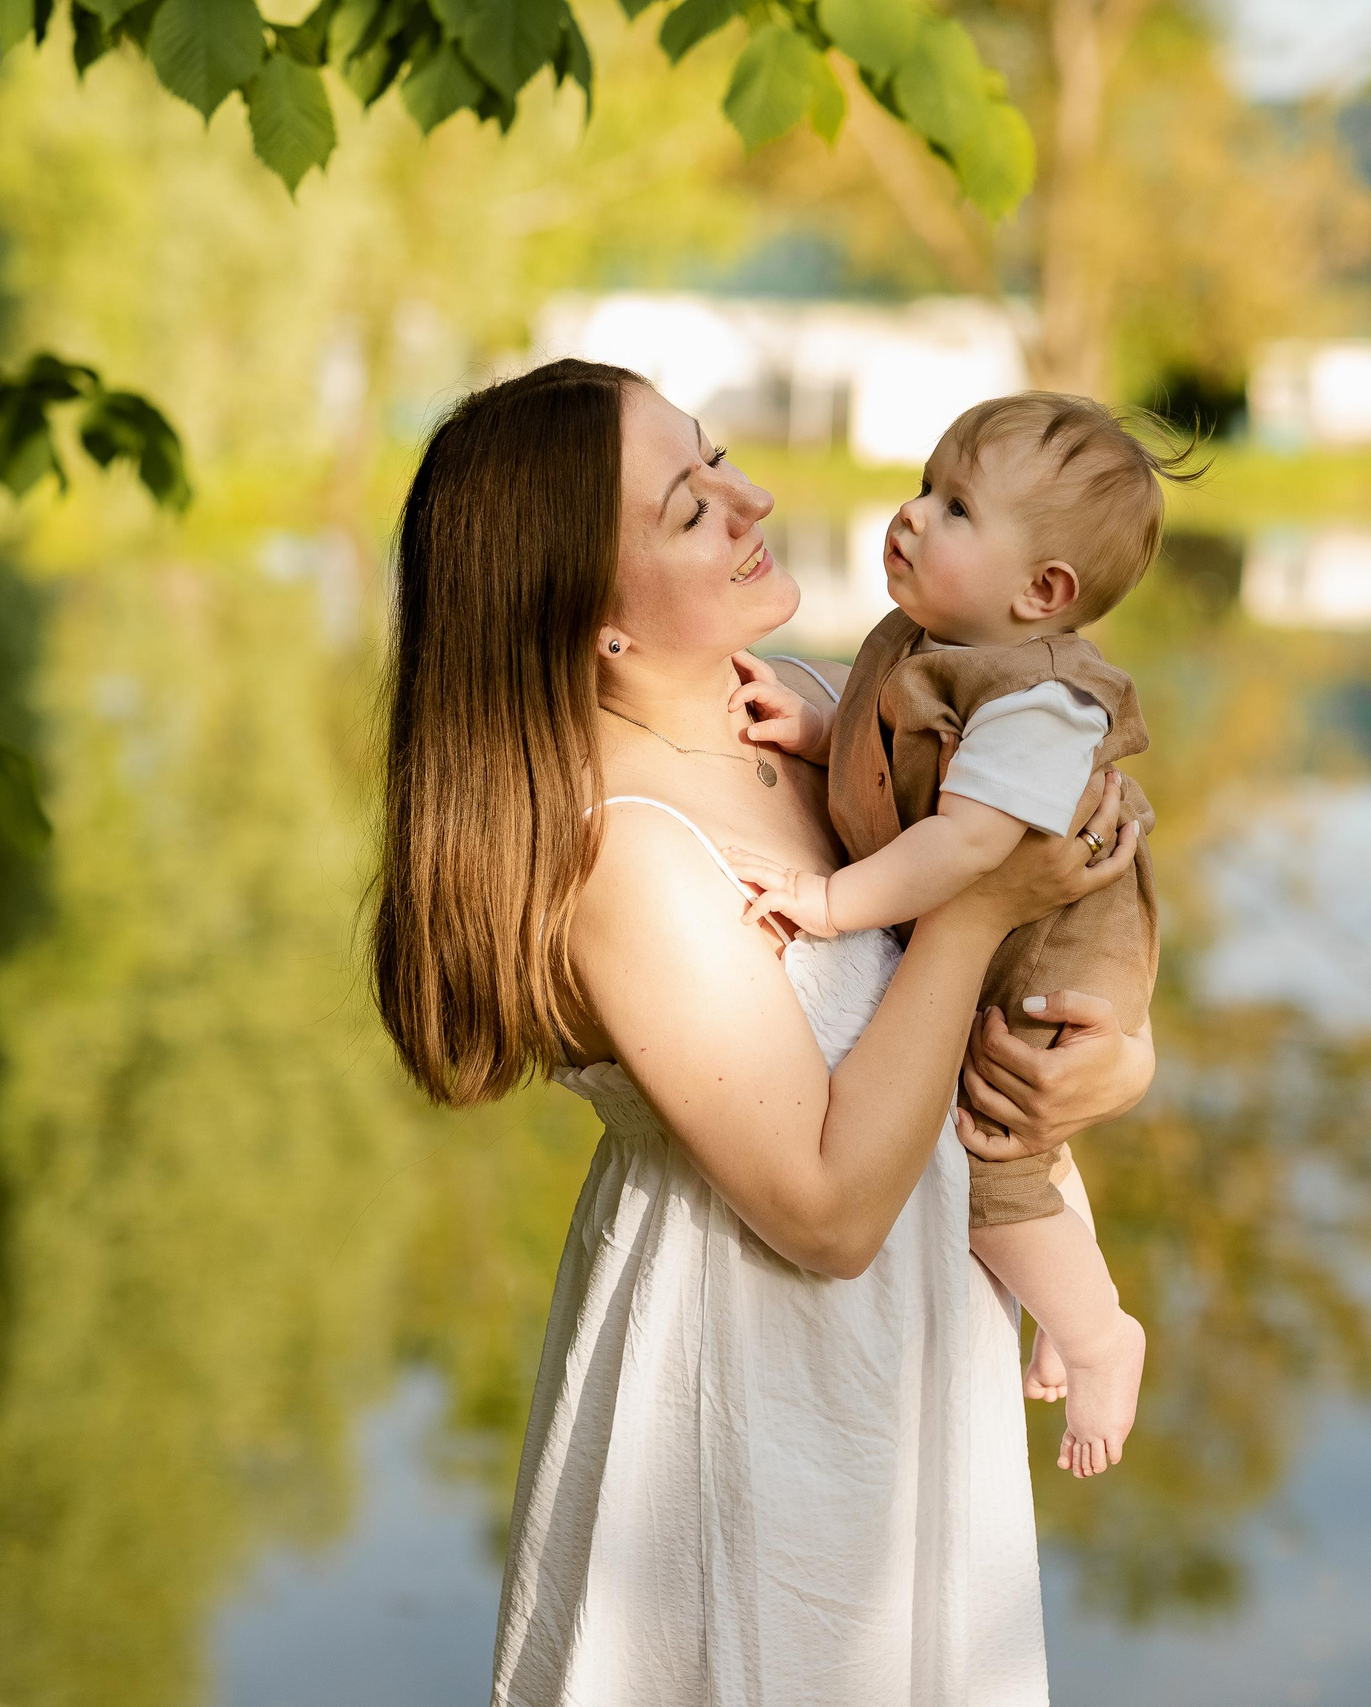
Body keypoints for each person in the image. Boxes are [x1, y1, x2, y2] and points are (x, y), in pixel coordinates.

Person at [368, 359, 1159, 1707]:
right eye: (691, 507)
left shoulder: (800, 711)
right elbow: (828, 1212)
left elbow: (994, 994)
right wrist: (978, 906)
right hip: (754, 1382)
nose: (754, 501)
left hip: (914, 1351)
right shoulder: (626, 851)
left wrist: (1108, 1063)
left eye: (718, 457)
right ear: (594, 623)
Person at [725, 393, 1190, 1481]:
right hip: (1007, 925)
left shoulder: (1038, 699)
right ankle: (1061, 1290)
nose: (913, 514)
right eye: (925, 487)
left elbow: (966, 844)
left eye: (956, 509)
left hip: (1056, 945)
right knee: (1010, 1135)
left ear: (1044, 593)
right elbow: (910, 755)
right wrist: (820, 730)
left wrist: (829, 905)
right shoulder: (937, 644)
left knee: (984, 1150)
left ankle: (1096, 1332)